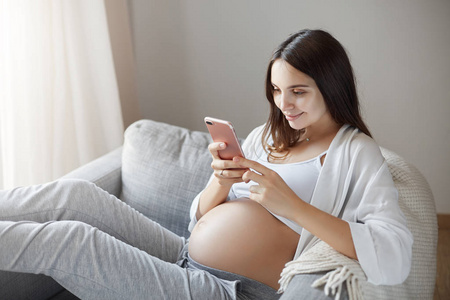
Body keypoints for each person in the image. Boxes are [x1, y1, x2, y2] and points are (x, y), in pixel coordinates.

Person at [0, 29, 413, 300]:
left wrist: (293, 207)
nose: (283, 105)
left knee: (68, 240)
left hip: (232, 290)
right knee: (76, 196)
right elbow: (198, 222)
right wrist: (219, 182)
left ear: (331, 86)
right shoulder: (267, 137)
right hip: (184, 253)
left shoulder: (356, 153)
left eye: (298, 92)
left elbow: (394, 254)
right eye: (276, 90)